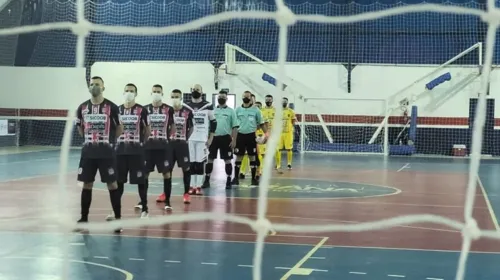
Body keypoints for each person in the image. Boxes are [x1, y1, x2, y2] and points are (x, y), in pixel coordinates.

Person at [75, 76, 123, 233]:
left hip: (106, 153)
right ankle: (83, 219)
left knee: (112, 184)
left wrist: (109, 141)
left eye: (97, 84)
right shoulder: (82, 108)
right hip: (88, 153)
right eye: (92, 84)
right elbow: (80, 128)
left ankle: (117, 219)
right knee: (87, 184)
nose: (94, 86)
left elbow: (119, 128)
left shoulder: (112, 107)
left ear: (103, 87)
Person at [108, 83, 150, 220]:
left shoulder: (141, 110)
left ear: (136, 94)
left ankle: (145, 209)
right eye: (127, 90)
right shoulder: (117, 110)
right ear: (123, 92)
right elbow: (113, 129)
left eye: (132, 91)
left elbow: (147, 130)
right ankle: (115, 211)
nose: (129, 93)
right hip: (120, 152)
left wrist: (141, 144)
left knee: (141, 181)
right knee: (119, 183)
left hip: (136, 152)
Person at [144, 84, 175, 210]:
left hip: (163, 147)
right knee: (145, 174)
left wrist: (168, 138)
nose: (156, 93)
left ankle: (167, 201)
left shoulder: (169, 109)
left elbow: (172, 125)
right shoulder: (145, 109)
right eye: (154, 91)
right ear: (151, 93)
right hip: (148, 147)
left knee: (166, 174)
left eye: (158, 91)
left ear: (162, 93)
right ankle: (142, 201)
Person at [185, 84, 216, 195]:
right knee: (191, 163)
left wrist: (211, 138)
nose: (195, 91)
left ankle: (198, 186)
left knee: (200, 163)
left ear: (202, 92)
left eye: (197, 89)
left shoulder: (208, 105)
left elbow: (213, 122)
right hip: (190, 139)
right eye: (193, 89)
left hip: (202, 139)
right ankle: (191, 186)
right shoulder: (186, 105)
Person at [203, 90, 238, 189]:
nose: (221, 98)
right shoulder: (212, 110)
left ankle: (228, 180)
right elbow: (208, 125)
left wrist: (234, 140)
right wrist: (207, 138)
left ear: (226, 99)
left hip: (226, 138)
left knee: (227, 160)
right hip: (213, 137)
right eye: (219, 97)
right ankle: (206, 180)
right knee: (210, 159)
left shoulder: (231, 111)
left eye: (223, 97)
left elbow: (235, 127)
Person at [232, 91, 266, 186]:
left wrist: (266, 134)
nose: (246, 98)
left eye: (247, 96)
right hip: (240, 136)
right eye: (244, 96)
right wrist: (232, 137)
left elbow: (262, 123)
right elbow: (233, 125)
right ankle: (235, 178)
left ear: (251, 98)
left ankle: (253, 179)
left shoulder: (256, 110)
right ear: (242, 97)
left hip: (251, 135)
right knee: (239, 156)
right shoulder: (237, 110)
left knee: (252, 157)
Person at [168, 89, 194, 205]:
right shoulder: (167, 111)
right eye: (173, 96)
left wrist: (186, 138)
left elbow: (191, 127)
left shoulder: (187, 111)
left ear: (181, 97)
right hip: (169, 144)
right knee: (167, 169)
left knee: (186, 168)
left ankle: (186, 193)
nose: (175, 98)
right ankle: (165, 193)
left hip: (182, 144)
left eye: (177, 96)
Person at [277, 97, 297, 170]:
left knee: (289, 149)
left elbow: (293, 121)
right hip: (279, 133)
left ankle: (289, 164)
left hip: (288, 133)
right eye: (283, 101)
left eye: (285, 101)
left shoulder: (291, 111)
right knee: (278, 149)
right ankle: (278, 164)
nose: (284, 102)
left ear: (287, 102)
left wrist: (290, 127)